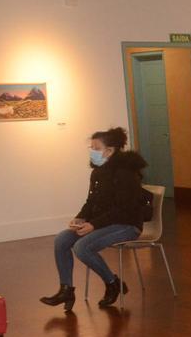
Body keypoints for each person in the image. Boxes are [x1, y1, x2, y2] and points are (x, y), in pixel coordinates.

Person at [40, 127, 149, 311]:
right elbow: (91, 202)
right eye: (91, 147)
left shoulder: (126, 173)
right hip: (104, 223)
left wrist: (94, 225)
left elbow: (123, 209)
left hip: (127, 224)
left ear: (110, 150)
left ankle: (112, 283)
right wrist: (80, 218)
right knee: (62, 239)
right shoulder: (98, 172)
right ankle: (66, 289)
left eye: (96, 148)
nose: (92, 151)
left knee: (82, 247)